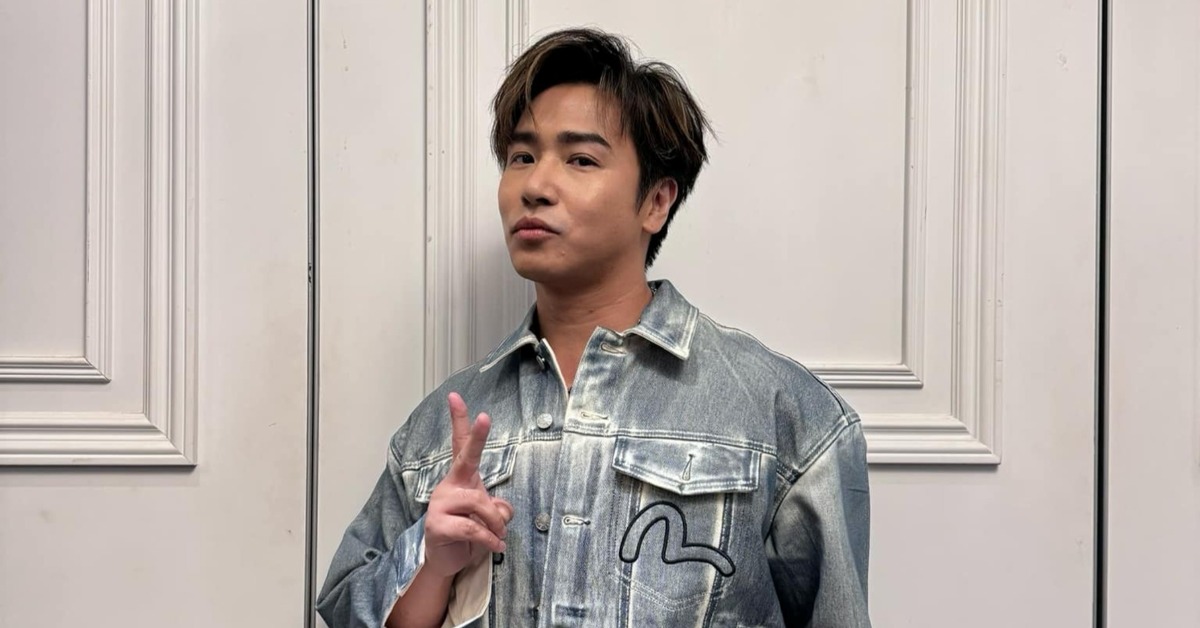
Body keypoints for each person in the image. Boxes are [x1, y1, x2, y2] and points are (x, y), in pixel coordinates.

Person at [317, 27, 871, 628]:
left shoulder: (784, 416)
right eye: (521, 158)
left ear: (655, 202)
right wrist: (433, 563)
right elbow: (348, 609)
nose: (535, 186)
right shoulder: (440, 430)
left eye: (580, 159)